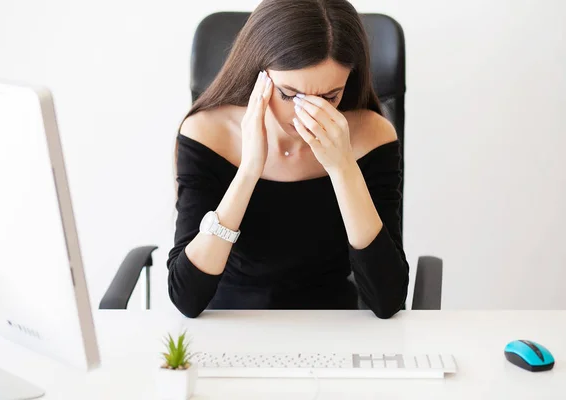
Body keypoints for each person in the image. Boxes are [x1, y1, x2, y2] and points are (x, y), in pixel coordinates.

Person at [167, 0, 409, 319]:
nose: (304, 115)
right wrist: (250, 168)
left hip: (330, 325)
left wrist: (342, 167)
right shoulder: (207, 133)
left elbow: (387, 300)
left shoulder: (371, 135)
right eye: (289, 95)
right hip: (230, 324)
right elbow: (186, 297)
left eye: (329, 97)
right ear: (260, 74)